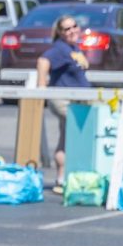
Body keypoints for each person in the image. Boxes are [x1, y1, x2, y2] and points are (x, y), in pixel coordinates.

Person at [37, 14, 90, 195]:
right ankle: (67, 176)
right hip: (63, 100)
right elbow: (43, 61)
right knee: (78, 134)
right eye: (66, 29)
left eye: (74, 26)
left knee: (66, 137)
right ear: (59, 33)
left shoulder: (73, 47)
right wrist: (41, 86)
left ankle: (61, 178)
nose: (72, 31)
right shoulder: (60, 48)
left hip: (76, 99)